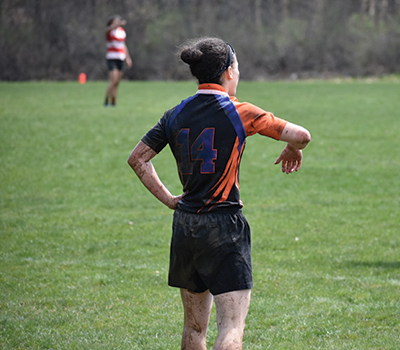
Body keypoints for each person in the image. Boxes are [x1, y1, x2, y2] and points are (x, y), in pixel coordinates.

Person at [127, 37, 311, 350]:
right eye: (237, 68)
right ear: (227, 72)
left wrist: (171, 199)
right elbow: (303, 135)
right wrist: (293, 146)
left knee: (194, 330)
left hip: (186, 226)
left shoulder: (174, 114)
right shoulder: (240, 112)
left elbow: (138, 159)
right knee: (231, 328)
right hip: (224, 227)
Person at [104, 15, 132, 107]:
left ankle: (114, 101)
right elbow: (107, 30)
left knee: (117, 82)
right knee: (113, 80)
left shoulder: (121, 32)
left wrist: (128, 58)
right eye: (114, 22)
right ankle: (106, 100)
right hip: (112, 58)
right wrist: (116, 25)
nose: (116, 24)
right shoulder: (110, 32)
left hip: (121, 58)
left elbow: (123, 46)